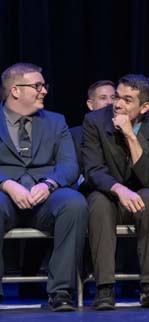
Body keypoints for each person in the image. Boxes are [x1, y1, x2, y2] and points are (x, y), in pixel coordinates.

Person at [0, 62, 88, 311]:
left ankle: (61, 291)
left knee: (73, 203)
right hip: (5, 196)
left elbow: (70, 165)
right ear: (15, 90)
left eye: (44, 85)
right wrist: (6, 183)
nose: (44, 91)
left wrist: (49, 184)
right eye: (37, 86)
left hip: (45, 198)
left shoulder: (56, 121)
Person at [81, 74, 149, 310]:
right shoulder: (95, 121)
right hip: (107, 193)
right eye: (117, 97)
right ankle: (104, 288)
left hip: (141, 196)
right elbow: (93, 170)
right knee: (98, 203)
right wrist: (119, 189)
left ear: (144, 107)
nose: (118, 104)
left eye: (127, 100)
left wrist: (131, 136)